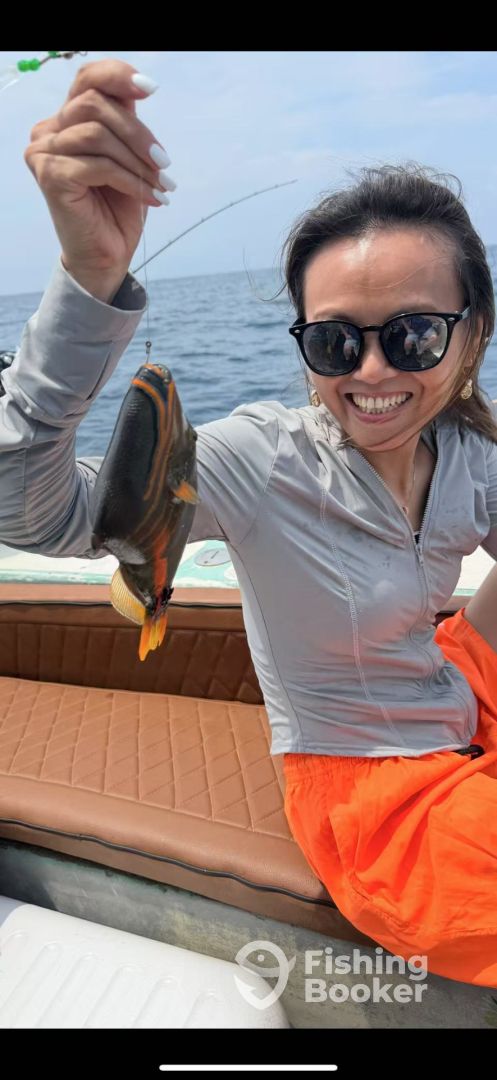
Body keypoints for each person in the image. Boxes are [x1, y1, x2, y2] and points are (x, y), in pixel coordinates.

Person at [1, 59, 497, 989]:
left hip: (458, 689)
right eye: (335, 341)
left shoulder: (473, 453)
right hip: (369, 792)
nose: (372, 371)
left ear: (471, 332)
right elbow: (36, 514)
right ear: (305, 345)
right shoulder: (254, 458)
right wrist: (88, 281)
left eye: (415, 334)